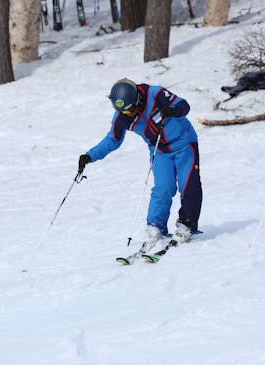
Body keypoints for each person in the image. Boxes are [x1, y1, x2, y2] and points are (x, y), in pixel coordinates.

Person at [78, 78, 203, 251]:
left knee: (188, 184)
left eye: (130, 110)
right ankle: (155, 227)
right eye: (123, 112)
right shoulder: (122, 116)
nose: (128, 114)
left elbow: (184, 106)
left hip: (184, 144)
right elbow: (112, 140)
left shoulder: (155, 93)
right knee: (162, 188)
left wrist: (171, 110)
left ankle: (186, 225)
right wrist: (90, 156)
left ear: (136, 99)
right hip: (159, 149)